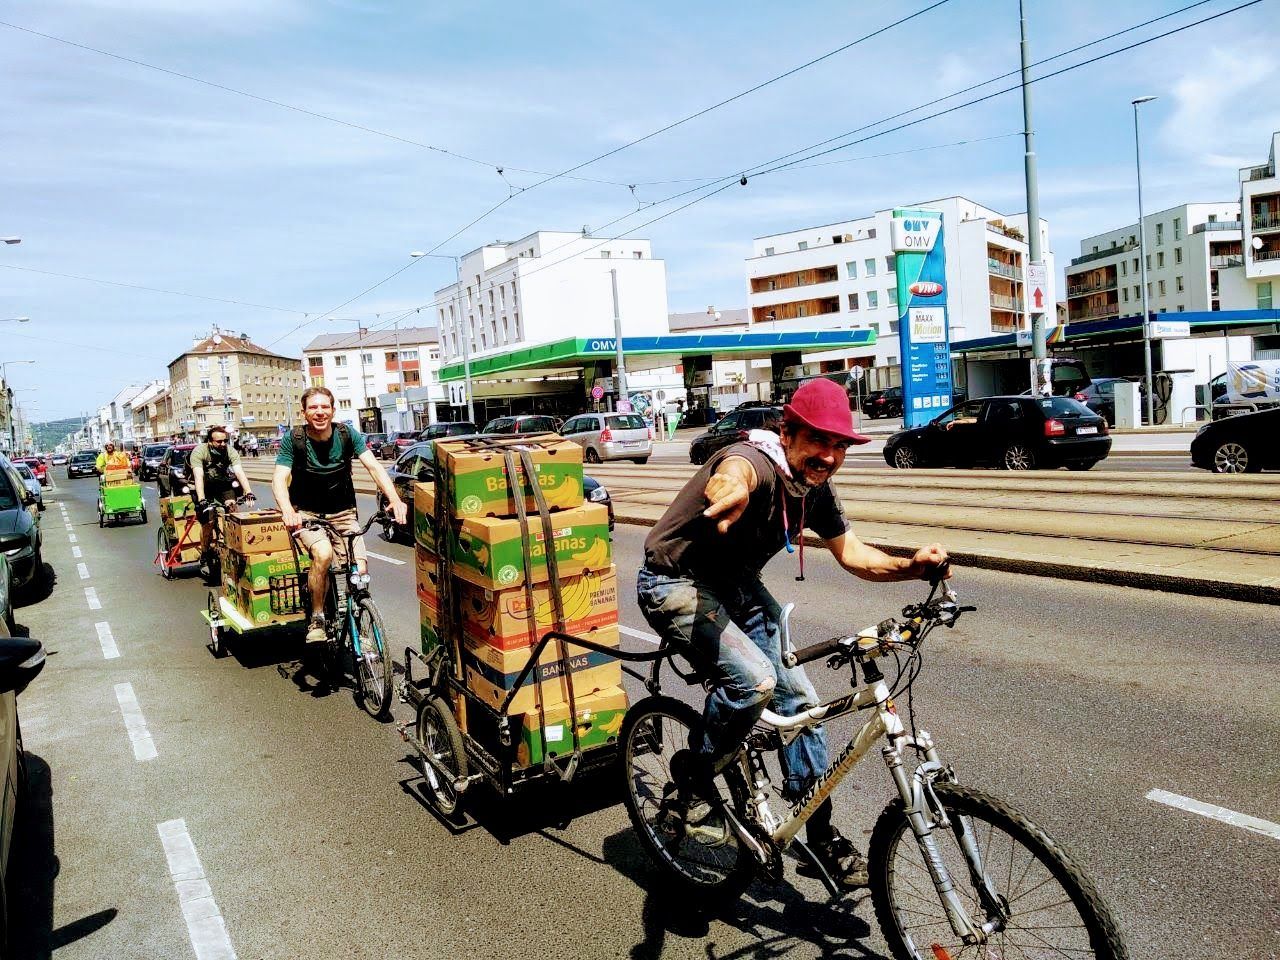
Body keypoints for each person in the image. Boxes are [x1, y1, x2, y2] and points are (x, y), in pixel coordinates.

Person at [637, 378, 948, 888]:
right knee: (754, 683)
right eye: (818, 441)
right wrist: (730, 488)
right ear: (788, 433)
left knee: (802, 703)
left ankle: (818, 834)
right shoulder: (754, 462)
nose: (828, 455)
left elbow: (853, 555)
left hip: (733, 586)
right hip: (674, 582)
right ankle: (695, 775)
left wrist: (912, 567)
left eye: (838, 445)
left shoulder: (814, 491)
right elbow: (733, 471)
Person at [272, 387, 407, 643]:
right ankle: (318, 617)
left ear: (333, 410)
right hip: (309, 514)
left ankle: (358, 619)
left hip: (344, 513)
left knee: (360, 565)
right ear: (304, 413)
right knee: (323, 554)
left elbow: (375, 467)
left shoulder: (347, 434)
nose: (319, 412)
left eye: (325, 407)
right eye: (313, 407)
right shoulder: (295, 439)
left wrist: (395, 499)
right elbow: (279, 478)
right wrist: (288, 510)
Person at [190, 425, 255, 573]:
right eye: (219, 441)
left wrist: (248, 491)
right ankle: (205, 556)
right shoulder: (200, 451)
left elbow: (239, 471)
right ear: (210, 441)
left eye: (225, 440)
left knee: (233, 511)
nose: (223, 444)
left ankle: (235, 550)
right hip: (204, 488)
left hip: (223, 486)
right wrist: (201, 500)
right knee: (209, 521)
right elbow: (198, 476)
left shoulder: (230, 451)